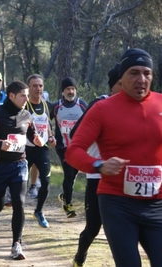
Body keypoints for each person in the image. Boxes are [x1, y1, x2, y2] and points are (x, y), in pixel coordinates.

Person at [66, 48, 162, 267]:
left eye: (147, 73)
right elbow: (74, 151)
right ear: (121, 76)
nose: (141, 79)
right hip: (118, 203)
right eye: (134, 73)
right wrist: (98, 165)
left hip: (157, 204)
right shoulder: (102, 109)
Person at [0, 81, 41, 260]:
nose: (27, 99)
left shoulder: (27, 114)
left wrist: (37, 140)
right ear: (11, 96)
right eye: (23, 96)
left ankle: (16, 244)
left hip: (19, 164)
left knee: (19, 203)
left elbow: (30, 133)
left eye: (27, 95)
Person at [69, 63, 121, 267]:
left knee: (122, 228)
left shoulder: (134, 108)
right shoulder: (99, 105)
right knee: (93, 227)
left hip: (123, 178)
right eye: (120, 83)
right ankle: (80, 256)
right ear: (113, 85)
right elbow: (75, 135)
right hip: (97, 176)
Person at [50, 77, 87, 218]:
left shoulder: (82, 105)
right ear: (63, 92)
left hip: (79, 146)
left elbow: (91, 120)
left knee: (74, 174)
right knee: (69, 173)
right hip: (63, 147)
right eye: (67, 89)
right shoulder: (57, 106)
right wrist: (50, 135)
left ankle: (65, 195)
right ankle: (68, 205)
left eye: (73, 89)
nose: (70, 92)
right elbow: (46, 119)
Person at [25, 74, 56, 228]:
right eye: (34, 86)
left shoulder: (46, 105)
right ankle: (12, 205)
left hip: (42, 149)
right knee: (18, 181)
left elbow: (47, 123)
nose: (38, 89)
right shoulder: (24, 106)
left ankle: (39, 210)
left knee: (46, 181)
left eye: (40, 86)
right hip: (25, 149)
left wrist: (51, 136)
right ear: (28, 89)